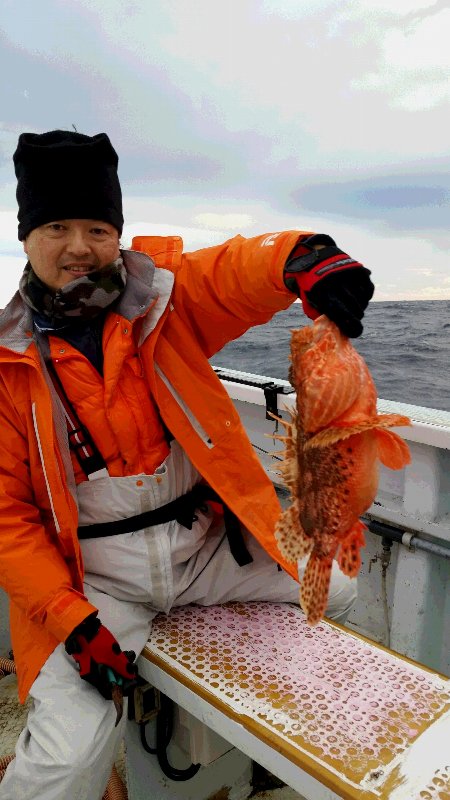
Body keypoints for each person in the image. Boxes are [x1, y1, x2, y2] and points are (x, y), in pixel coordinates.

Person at [0, 130, 374, 799]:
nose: (79, 246)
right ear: (26, 237)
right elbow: (8, 519)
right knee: (66, 762)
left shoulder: (168, 300)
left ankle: (268, 742)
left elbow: (238, 272)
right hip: (95, 584)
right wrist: (67, 618)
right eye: (56, 227)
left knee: (337, 589)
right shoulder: (7, 364)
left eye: (97, 228)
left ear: (118, 234)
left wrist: (304, 256)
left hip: (204, 550)